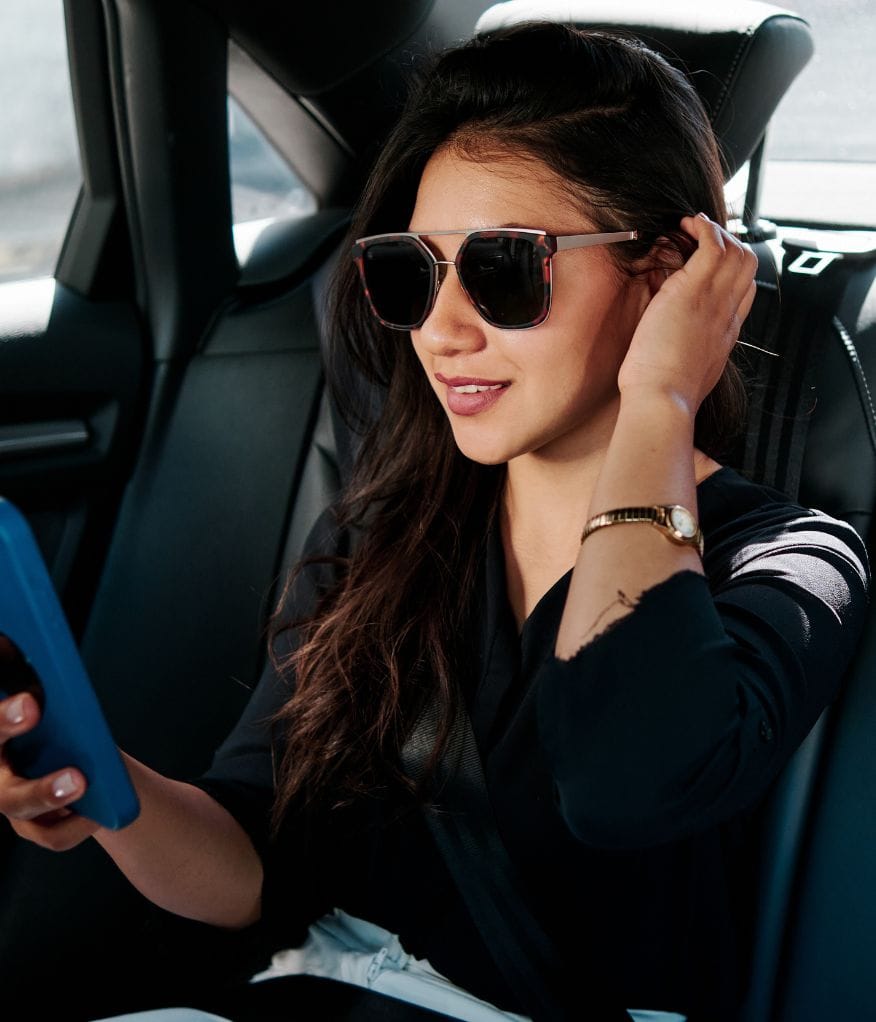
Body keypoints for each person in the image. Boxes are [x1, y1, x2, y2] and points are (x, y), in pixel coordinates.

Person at [0, 21, 869, 1022]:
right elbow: (253, 866)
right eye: (413, 273)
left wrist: (661, 403)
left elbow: (625, 775)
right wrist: (101, 785)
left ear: (668, 272)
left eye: (505, 269)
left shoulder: (793, 561)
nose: (443, 330)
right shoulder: (384, 537)